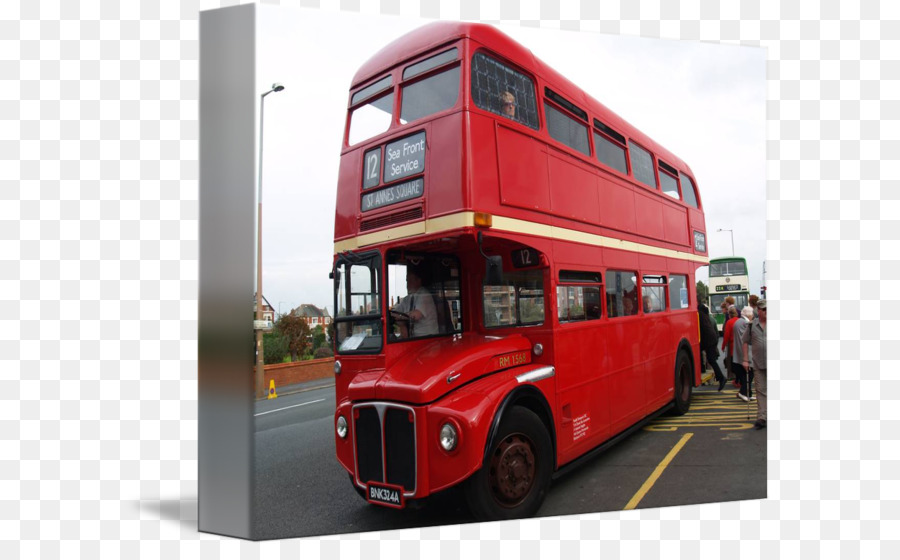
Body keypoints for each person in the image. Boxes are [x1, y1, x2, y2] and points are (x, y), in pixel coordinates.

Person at [390, 265, 438, 338]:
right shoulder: (408, 298)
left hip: (427, 338)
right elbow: (395, 312)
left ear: (418, 281)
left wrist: (400, 317)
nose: (407, 284)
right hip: (414, 338)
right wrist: (397, 319)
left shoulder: (424, 295)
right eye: (407, 280)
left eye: (410, 280)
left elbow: (415, 316)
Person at [742, 299, 767, 429]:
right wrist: (745, 359)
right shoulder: (752, 325)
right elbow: (745, 342)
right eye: (764, 309)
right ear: (758, 310)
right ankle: (762, 417)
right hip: (758, 363)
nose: (767, 312)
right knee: (760, 390)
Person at [698, 303, 726, 391]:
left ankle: (721, 378)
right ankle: (719, 377)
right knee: (711, 359)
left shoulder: (699, 316)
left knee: (710, 359)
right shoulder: (706, 316)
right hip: (712, 339)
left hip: (708, 340)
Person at [730, 306, 754, 402]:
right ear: (749, 314)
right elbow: (748, 339)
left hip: (738, 351)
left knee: (745, 375)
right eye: (752, 314)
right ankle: (743, 392)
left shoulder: (738, 322)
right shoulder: (746, 323)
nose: (752, 316)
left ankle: (748, 394)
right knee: (750, 374)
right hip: (745, 352)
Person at [721, 306, 739, 381]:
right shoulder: (740, 321)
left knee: (733, 363)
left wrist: (723, 346)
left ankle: (736, 378)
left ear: (729, 314)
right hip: (740, 344)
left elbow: (726, 335)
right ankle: (739, 378)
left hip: (732, 345)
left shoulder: (729, 322)